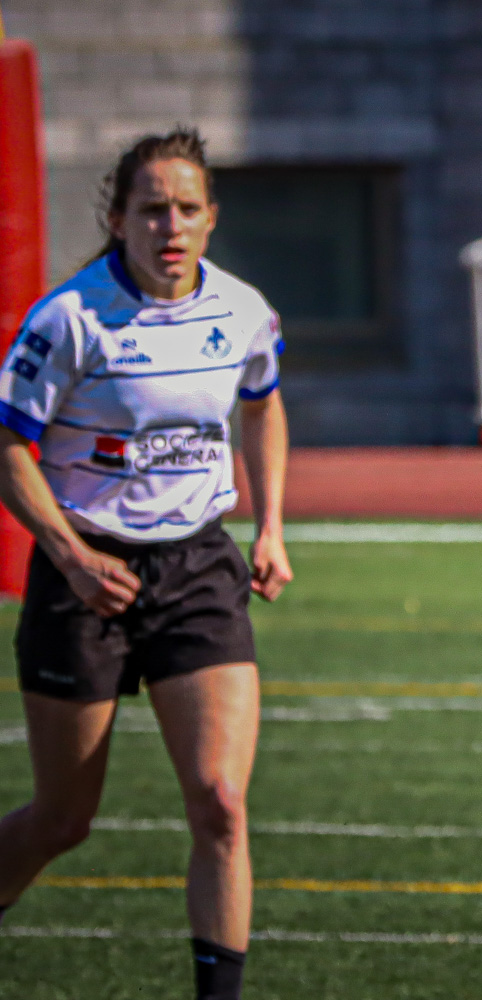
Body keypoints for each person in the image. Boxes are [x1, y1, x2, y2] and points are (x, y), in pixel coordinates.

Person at [0, 128, 291, 1000]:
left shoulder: (243, 311)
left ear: (211, 219)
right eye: (152, 208)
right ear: (119, 218)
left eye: (187, 209)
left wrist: (271, 523)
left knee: (221, 802)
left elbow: (263, 404)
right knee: (62, 819)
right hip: (84, 577)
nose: (170, 225)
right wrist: (72, 556)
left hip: (198, 570)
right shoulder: (69, 318)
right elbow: (10, 446)